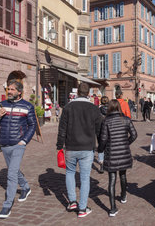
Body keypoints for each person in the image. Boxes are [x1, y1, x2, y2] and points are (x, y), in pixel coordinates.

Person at [56, 82, 103, 218]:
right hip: (87, 147)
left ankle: (72, 202)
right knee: (85, 178)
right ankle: (82, 208)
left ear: (77, 93)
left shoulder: (68, 107)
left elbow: (62, 129)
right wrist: (101, 147)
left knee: (70, 173)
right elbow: (99, 131)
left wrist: (59, 145)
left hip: (71, 146)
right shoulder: (94, 109)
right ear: (88, 93)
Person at [0, 80, 37, 219]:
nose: (9, 91)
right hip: (5, 143)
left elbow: (32, 125)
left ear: (19, 92)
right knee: (14, 170)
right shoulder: (2, 104)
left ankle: (7, 205)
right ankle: (25, 187)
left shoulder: (27, 106)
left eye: (12, 89)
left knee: (11, 173)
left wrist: (24, 141)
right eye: (8, 89)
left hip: (18, 144)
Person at [98, 100, 137, 217]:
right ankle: (123, 196)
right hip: (123, 152)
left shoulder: (106, 121)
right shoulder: (126, 119)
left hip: (111, 153)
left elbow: (103, 139)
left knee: (112, 179)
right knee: (123, 175)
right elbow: (134, 135)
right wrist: (126, 143)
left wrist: (100, 149)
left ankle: (113, 208)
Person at [97, 96, 109, 174]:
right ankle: (107, 163)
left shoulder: (97, 110)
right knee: (108, 147)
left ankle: (101, 164)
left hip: (100, 131)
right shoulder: (111, 111)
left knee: (101, 148)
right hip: (108, 131)